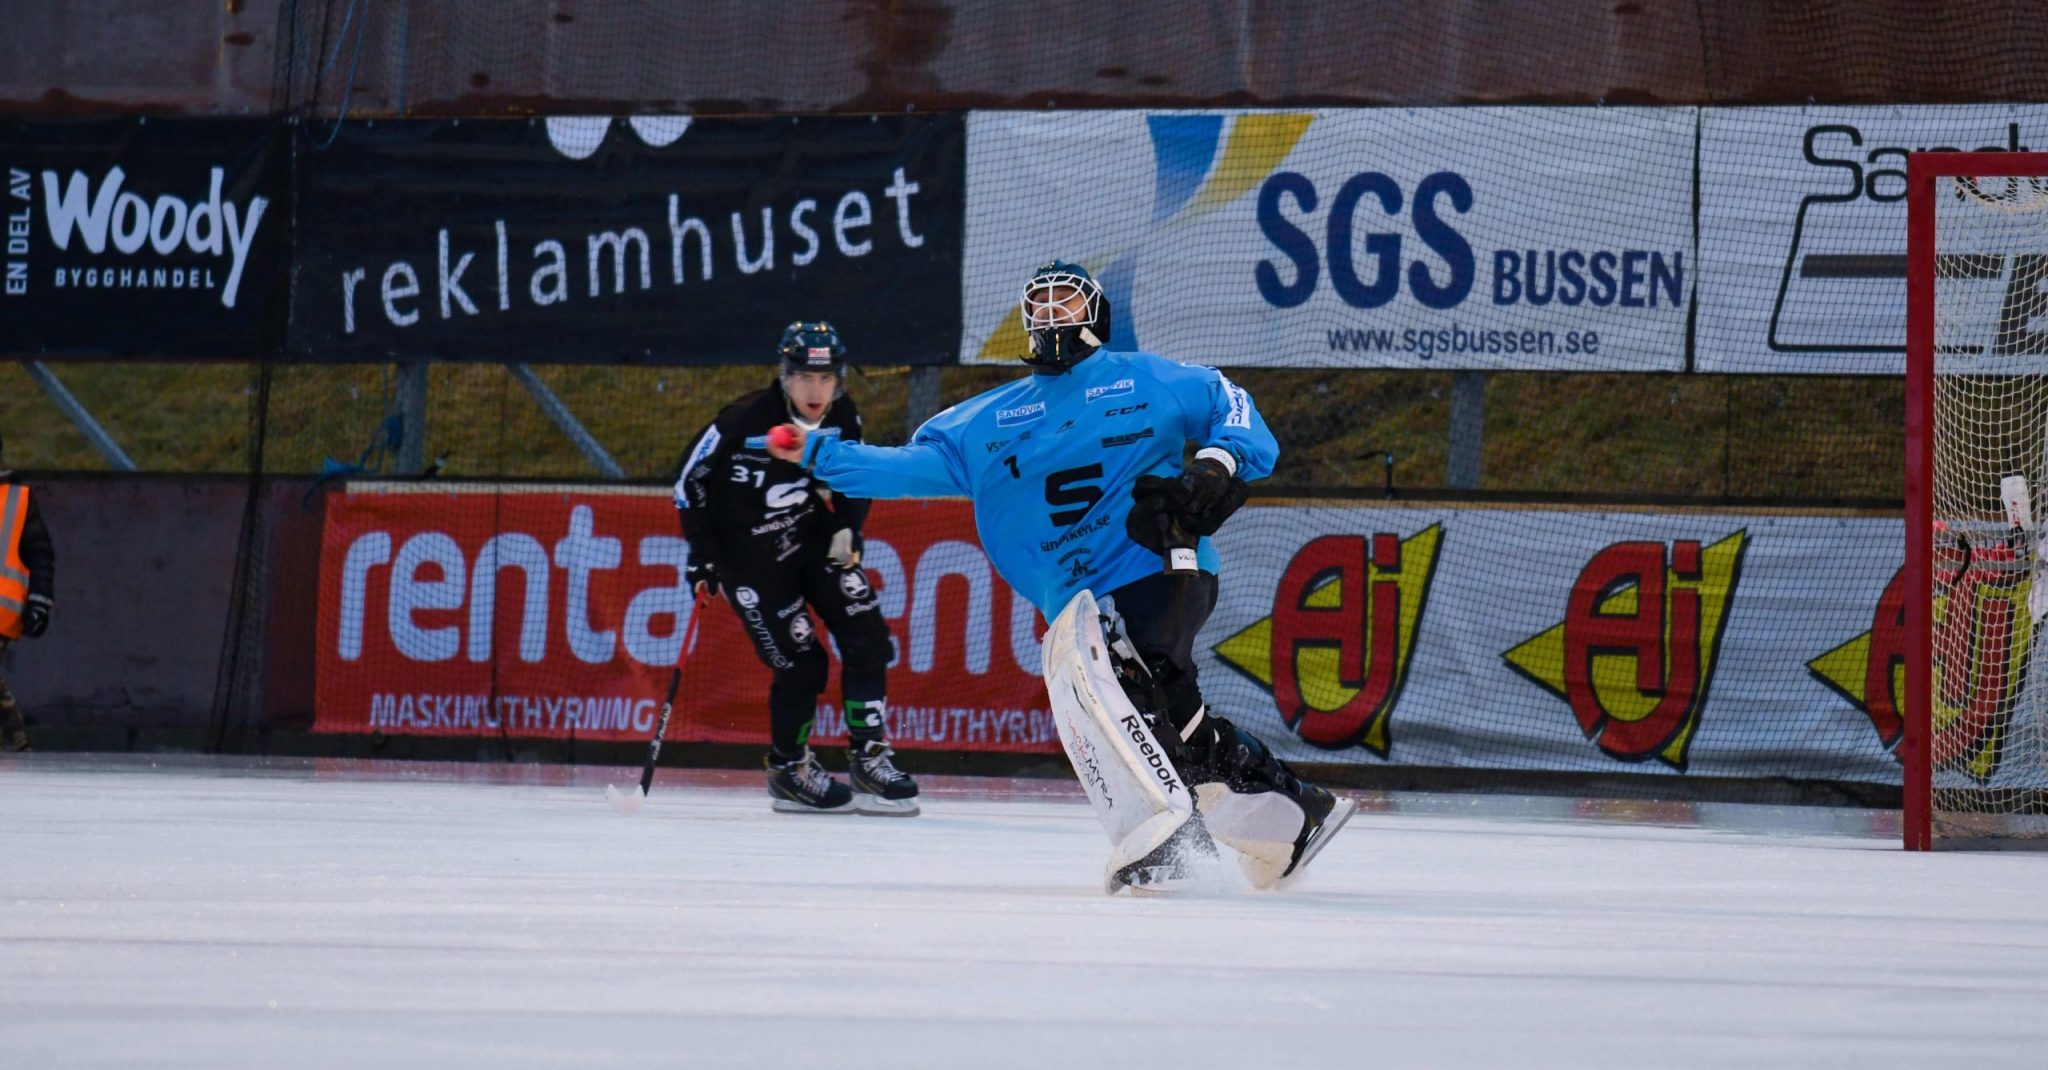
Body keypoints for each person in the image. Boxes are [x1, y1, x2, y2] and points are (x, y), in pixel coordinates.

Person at [771, 261, 1352, 886]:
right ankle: (1293, 816)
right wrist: (817, 452)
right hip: (1075, 602)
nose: (1051, 314)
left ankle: (1171, 837)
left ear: (1095, 314)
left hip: (1159, 562)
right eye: (1040, 304)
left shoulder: (1147, 378)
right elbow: (900, 467)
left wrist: (1217, 463)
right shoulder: (984, 421)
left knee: (1141, 672)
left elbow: (1228, 403)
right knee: (1172, 716)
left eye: (1066, 302)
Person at [673, 321, 918, 815]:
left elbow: (855, 474)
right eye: (804, 377)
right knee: (803, 665)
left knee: (868, 635)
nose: (815, 390)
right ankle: (788, 769)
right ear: (784, 377)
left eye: (826, 379)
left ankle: (869, 756)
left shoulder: (843, 415)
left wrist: (850, 527)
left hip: (810, 535)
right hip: (750, 559)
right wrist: (701, 551)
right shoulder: (743, 419)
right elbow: (688, 481)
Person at [0, 431, 55, 753]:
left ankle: (17, 741)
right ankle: (17, 743)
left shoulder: (17, 500)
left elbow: (40, 553)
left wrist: (39, 600)